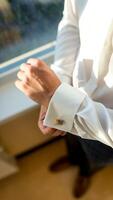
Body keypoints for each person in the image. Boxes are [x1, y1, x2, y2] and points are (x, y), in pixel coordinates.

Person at [15, 0, 113, 198]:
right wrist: (58, 87)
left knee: (97, 154)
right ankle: (74, 159)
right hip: (70, 87)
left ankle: (86, 171)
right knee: (68, 136)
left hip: (103, 121)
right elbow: (71, 22)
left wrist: (56, 98)